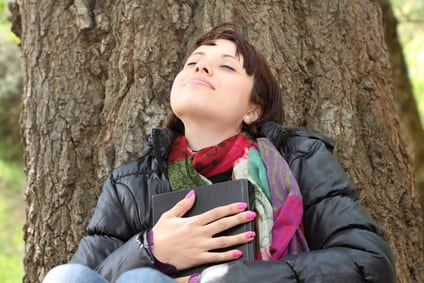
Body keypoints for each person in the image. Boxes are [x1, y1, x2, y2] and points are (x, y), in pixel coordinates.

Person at [43, 23, 396, 283]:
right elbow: (89, 276)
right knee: (64, 277)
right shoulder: (130, 182)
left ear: (253, 110)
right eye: (193, 62)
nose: (200, 67)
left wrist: (235, 277)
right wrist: (151, 250)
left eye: (226, 66)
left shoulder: (299, 159)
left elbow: (370, 263)